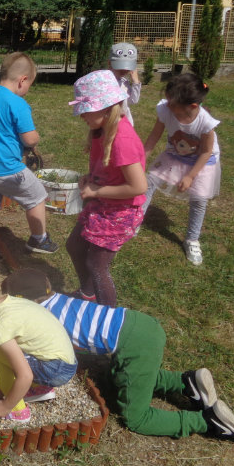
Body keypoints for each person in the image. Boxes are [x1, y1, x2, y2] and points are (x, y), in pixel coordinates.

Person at [3, 270, 234, 445]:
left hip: (135, 345)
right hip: (137, 322)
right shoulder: (59, 299)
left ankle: (209, 421)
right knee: (119, 378)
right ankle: (186, 382)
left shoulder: (42, 318)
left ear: (24, 303)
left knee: (136, 417)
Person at [0, 52, 57, 263]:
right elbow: (29, 138)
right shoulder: (17, 103)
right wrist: (35, 138)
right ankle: (39, 239)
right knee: (37, 196)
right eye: (29, 84)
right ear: (22, 80)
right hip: (6, 169)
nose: (27, 90)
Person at [66, 70, 147, 307]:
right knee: (75, 246)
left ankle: (107, 317)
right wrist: (90, 178)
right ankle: (87, 294)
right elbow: (108, 169)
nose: (82, 116)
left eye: (85, 110)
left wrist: (96, 192)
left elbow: (138, 186)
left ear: (105, 108)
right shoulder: (101, 131)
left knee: (97, 265)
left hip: (120, 211)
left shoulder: (122, 140)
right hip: (102, 203)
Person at [0, 277, 77, 424]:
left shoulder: (1, 325)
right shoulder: (7, 304)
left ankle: (18, 410)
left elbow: (25, 375)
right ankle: (36, 389)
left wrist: (6, 406)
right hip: (65, 362)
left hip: (55, 369)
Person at [140, 73, 221, 266]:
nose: (168, 105)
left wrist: (190, 176)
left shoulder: (205, 122)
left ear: (192, 106)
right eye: (167, 100)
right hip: (175, 154)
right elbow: (154, 136)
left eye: (172, 103)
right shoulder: (165, 110)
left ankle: (192, 239)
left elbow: (206, 151)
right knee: (148, 181)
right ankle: (135, 219)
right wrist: (140, 160)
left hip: (202, 161)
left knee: (199, 200)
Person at [109, 42, 142, 127]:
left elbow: (133, 100)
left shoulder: (124, 82)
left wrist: (135, 82)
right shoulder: (106, 81)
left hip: (125, 122)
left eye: (127, 66)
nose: (124, 70)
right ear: (110, 63)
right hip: (110, 123)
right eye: (120, 66)